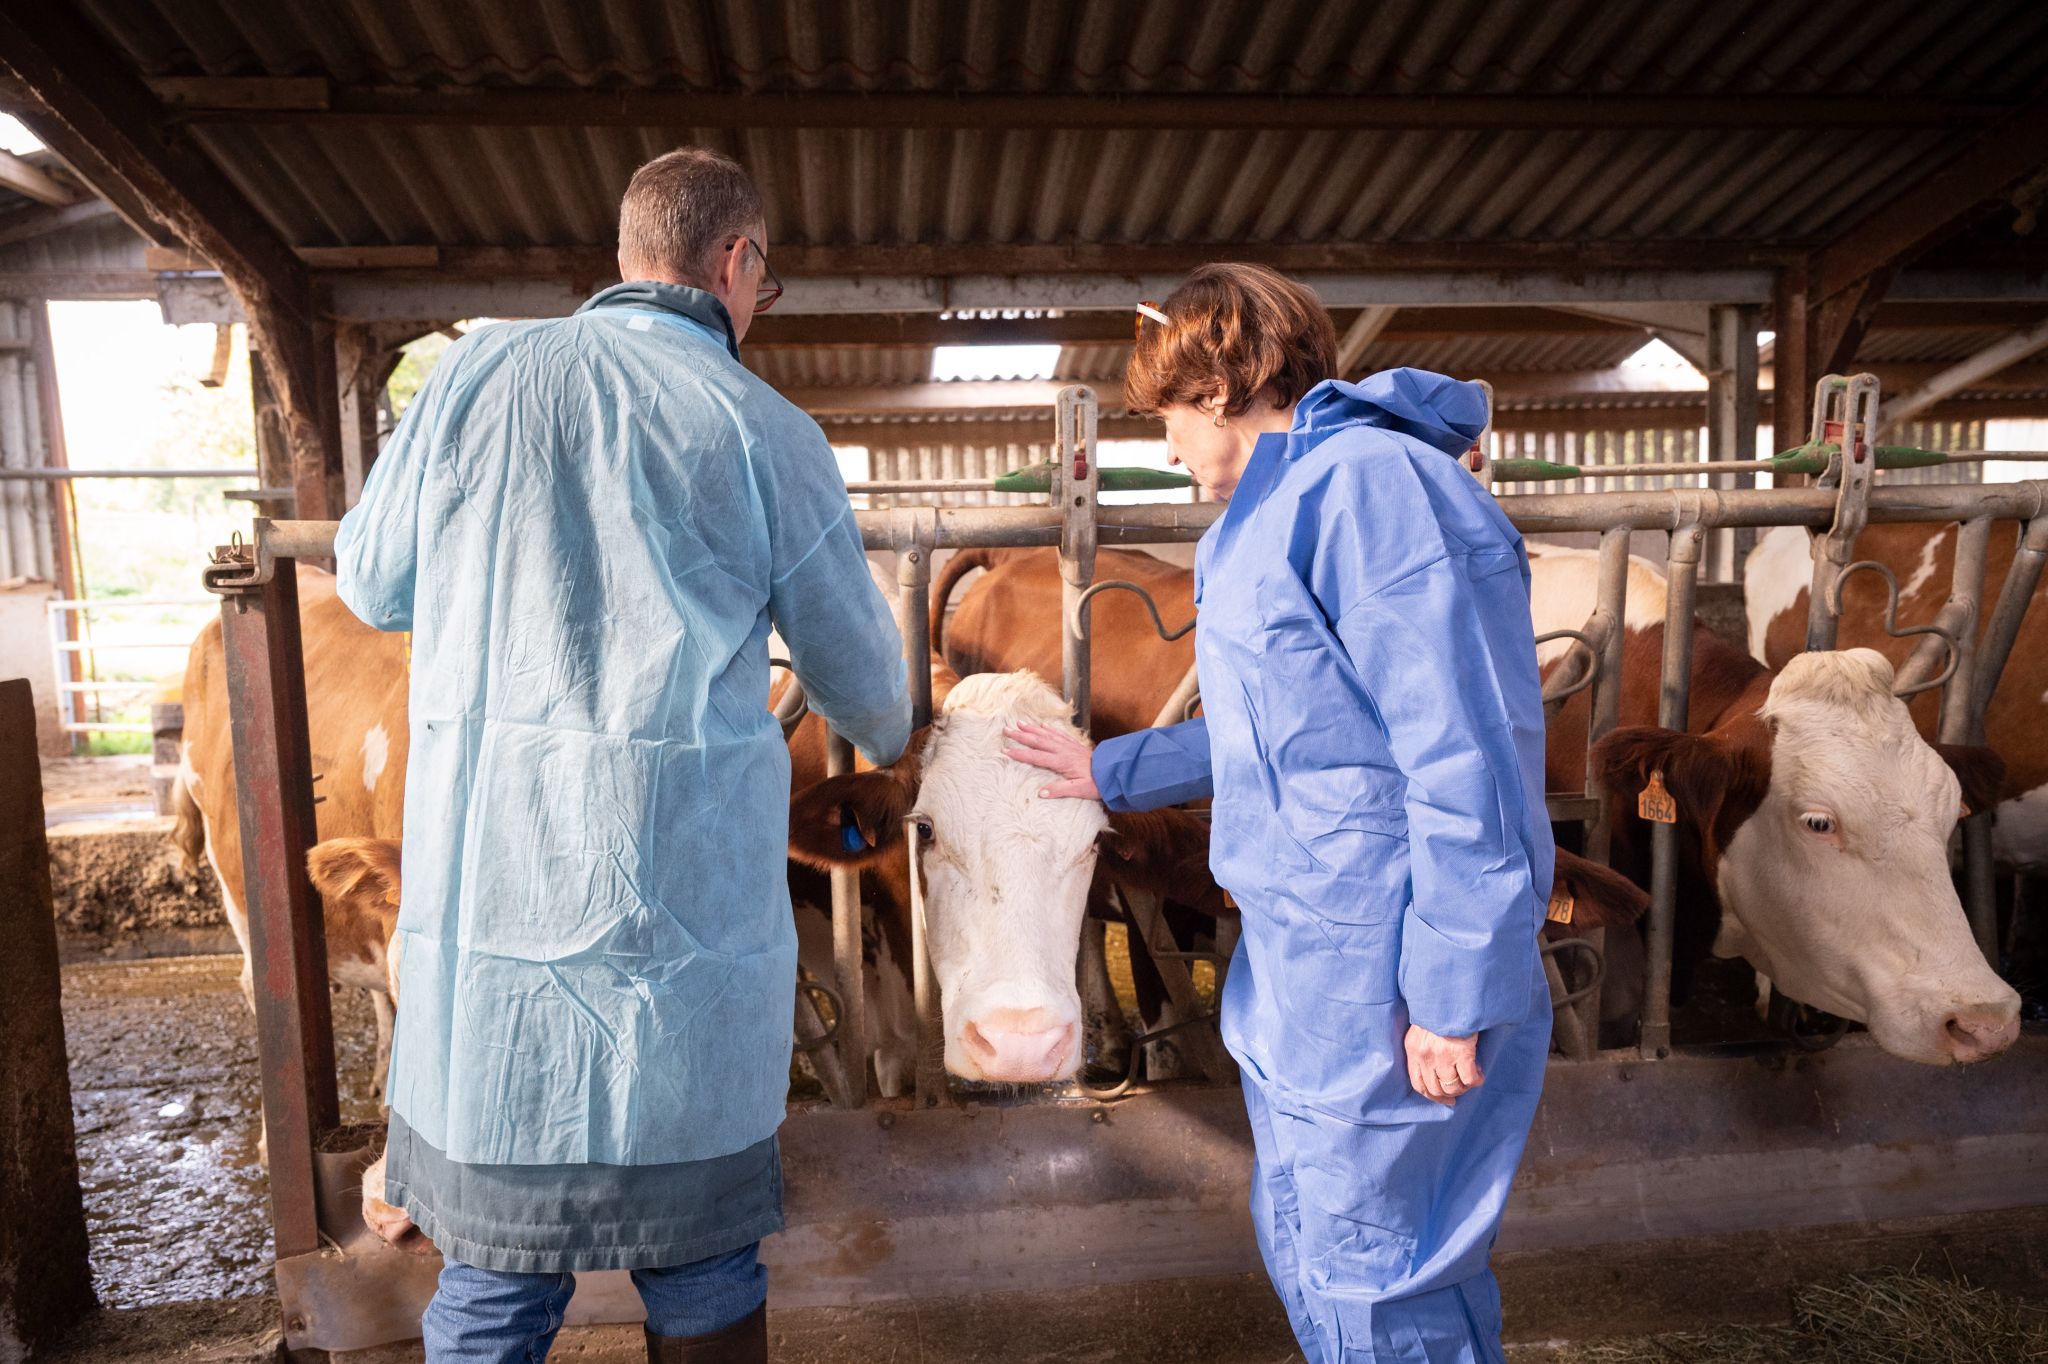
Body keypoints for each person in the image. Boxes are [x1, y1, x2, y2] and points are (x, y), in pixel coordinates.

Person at [335, 148, 911, 1364]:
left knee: (492, 1278)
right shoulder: (769, 429)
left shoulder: (473, 371)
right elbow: (874, 697)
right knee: (701, 1268)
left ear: (623, 256)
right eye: (765, 280)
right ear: (736, 261)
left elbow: (372, 581)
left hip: (495, 968)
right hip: (679, 963)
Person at [1006, 265, 1552, 1363]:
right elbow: (1296, 724)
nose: (1164, 449)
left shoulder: (1375, 491)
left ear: (1219, 384)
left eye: (1165, 416)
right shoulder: (1263, 518)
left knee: (1381, 1271)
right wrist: (1108, 770)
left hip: (1388, 963)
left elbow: (1468, 752)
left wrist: (1452, 986)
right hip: (1300, 955)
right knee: (1315, 1241)